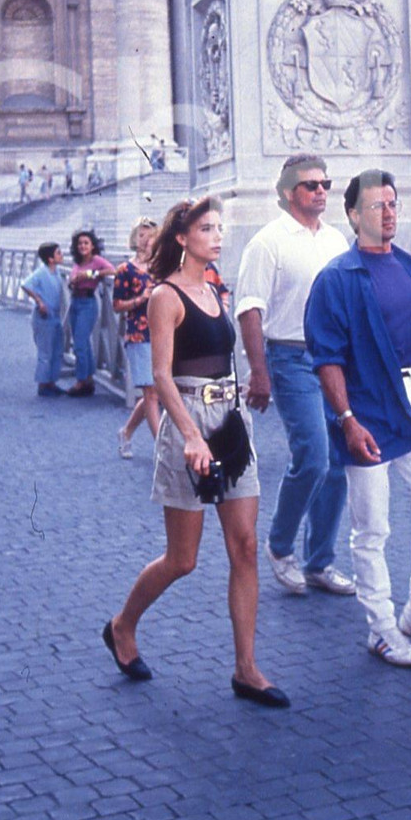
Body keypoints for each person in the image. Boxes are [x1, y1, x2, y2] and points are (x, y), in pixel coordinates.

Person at [103, 198, 289, 708]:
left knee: (245, 547)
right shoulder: (165, 295)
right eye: (207, 228)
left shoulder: (213, 288)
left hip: (230, 420)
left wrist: (244, 392)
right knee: (182, 559)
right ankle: (122, 626)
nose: (218, 236)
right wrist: (190, 435)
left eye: (220, 228)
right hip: (189, 420)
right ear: (182, 238)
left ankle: (246, 669)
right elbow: (161, 375)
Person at [304, 170, 411, 668]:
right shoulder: (336, 278)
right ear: (353, 215)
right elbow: (326, 358)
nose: (388, 212)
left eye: (392, 203)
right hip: (367, 409)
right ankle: (381, 627)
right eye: (377, 205)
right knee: (372, 529)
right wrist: (347, 420)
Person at [235, 154, 354, 597]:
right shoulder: (267, 242)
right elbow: (250, 309)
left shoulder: (337, 240)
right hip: (289, 356)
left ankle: (319, 560)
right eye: (311, 185)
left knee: (338, 462)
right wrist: (258, 372)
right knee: (314, 456)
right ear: (288, 192)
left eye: (326, 184)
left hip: (334, 359)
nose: (321, 191)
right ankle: (280, 545)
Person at [112, 218, 161, 459]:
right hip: (139, 334)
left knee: (157, 392)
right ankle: (162, 447)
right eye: (142, 235)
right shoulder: (125, 270)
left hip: (163, 333)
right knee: (150, 392)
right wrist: (141, 299)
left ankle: (127, 431)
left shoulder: (162, 267)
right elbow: (117, 305)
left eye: (151, 235)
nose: (147, 240)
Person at [66, 230, 116, 396]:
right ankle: (88, 378)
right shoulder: (78, 262)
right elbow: (72, 279)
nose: (82, 246)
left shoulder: (96, 260)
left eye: (86, 243)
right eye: (80, 243)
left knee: (79, 344)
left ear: (92, 245)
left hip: (87, 303)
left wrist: (91, 274)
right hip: (75, 301)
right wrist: (73, 281)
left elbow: (112, 271)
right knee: (82, 342)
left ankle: (81, 381)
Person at [20, 243, 66, 396]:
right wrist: (39, 301)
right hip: (44, 317)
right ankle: (43, 384)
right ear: (50, 259)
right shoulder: (41, 272)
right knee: (45, 352)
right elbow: (25, 285)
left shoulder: (57, 272)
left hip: (55, 315)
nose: (62, 255)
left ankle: (51, 382)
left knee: (57, 350)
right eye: (58, 253)